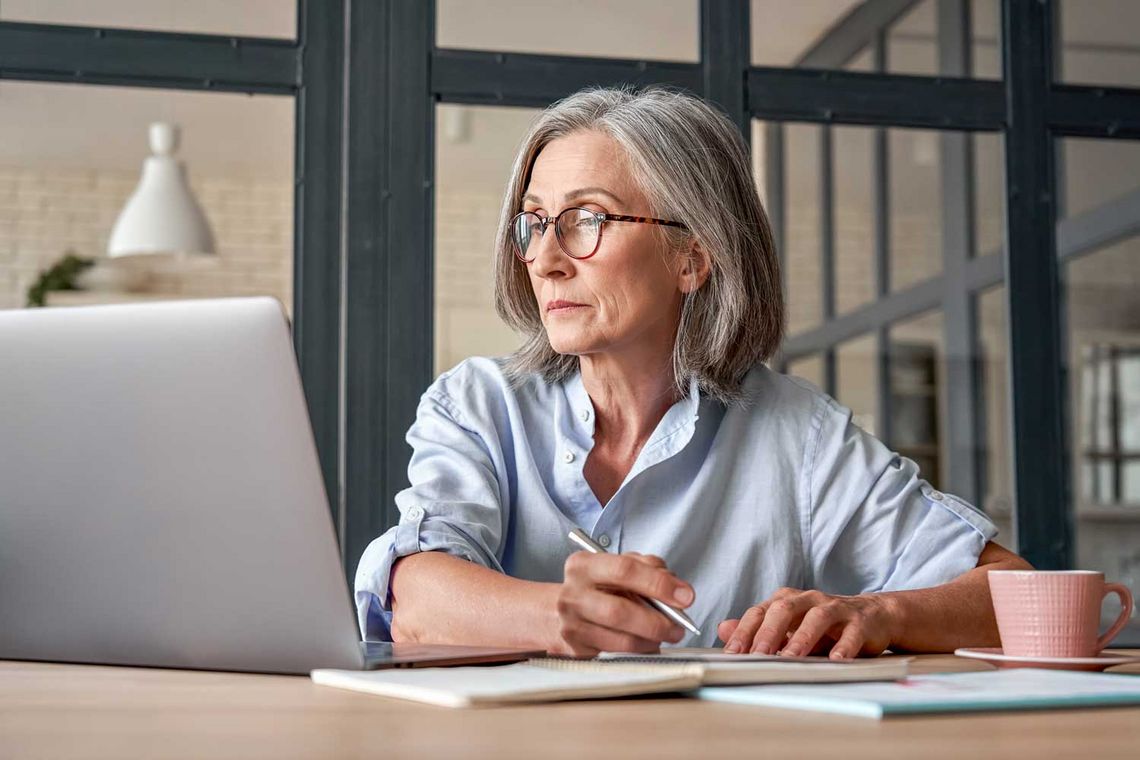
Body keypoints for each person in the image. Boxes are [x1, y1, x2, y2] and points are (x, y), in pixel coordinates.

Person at [354, 86, 1032, 659]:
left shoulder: (799, 434)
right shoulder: (479, 404)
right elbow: (413, 596)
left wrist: (879, 615)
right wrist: (561, 615)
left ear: (692, 258)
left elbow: (1019, 596)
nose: (546, 259)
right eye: (534, 223)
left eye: (585, 219)